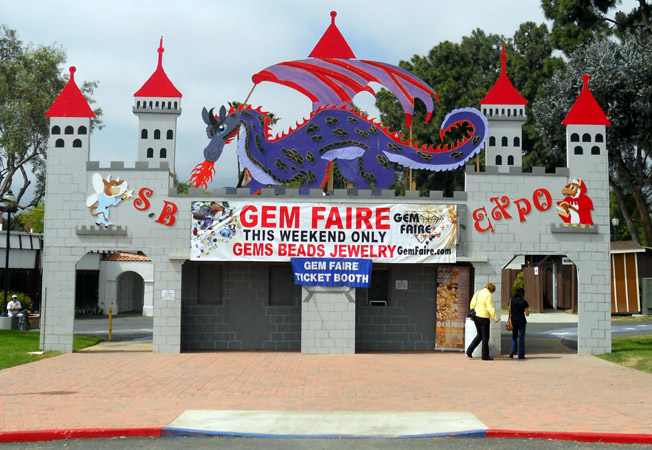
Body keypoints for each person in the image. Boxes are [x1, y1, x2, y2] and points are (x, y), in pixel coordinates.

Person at [466, 283, 499, 360]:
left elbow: (472, 303)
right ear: (491, 290)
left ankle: (469, 350)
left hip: (476, 316)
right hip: (484, 317)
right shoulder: (488, 295)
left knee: (479, 335)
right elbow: (490, 307)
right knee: (485, 337)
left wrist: (472, 313)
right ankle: (485, 355)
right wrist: (495, 317)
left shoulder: (478, 292)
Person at [509, 287, 530, 359]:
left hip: (513, 320)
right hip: (521, 320)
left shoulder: (512, 300)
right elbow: (527, 314)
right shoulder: (524, 302)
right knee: (521, 337)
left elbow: (509, 309)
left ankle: (512, 352)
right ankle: (521, 355)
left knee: (514, 336)